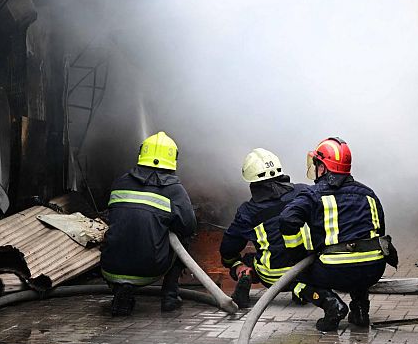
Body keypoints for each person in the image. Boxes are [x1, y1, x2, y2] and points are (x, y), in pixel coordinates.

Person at [279, 137, 395, 330]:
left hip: (335, 271)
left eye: (317, 164)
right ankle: (360, 310)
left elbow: (287, 219)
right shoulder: (369, 194)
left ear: (323, 167)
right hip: (374, 270)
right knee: (358, 263)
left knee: (298, 279)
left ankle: (331, 305)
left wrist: (297, 255)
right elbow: (378, 231)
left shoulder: (313, 195)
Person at [100, 131, 196, 316]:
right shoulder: (174, 190)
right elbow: (189, 227)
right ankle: (170, 296)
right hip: (149, 270)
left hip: (110, 267)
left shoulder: (120, 182)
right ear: (173, 158)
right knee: (183, 239)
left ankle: (120, 289)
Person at [219, 148, 310, 308]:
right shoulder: (304, 192)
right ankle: (302, 289)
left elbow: (228, 247)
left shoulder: (248, 211)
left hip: (271, 275)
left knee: (245, 260)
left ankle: (244, 273)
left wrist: (231, 262)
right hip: (308, 270)